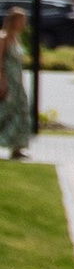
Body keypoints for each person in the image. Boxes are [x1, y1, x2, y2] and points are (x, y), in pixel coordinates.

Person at [0, 10, 30, 159]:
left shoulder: (17, 38)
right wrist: (2, 81)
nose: (24, 23)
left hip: (17, 83)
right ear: (13, 21)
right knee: (5, 112)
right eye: (21, 20)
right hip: (7, 81)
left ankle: (17, 147)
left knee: (21, 112)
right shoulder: (3, 38)